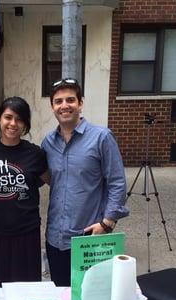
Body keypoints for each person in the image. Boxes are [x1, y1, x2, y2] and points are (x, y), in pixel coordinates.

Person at [41, 78, 129, 286]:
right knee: (61, 295)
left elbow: (117, 182)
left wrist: (107, 223)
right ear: (52, 106)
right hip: (55, 237)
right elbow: (46, 178)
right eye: (58, 101)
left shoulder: (102, 137)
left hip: (88, 235)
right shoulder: (48, 142)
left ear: (80, 103)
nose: (64, 105)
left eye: (70, 100)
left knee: (90, 298)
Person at [0, 97, 48, 287]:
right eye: (8, 117)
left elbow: (46, 179)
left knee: (28, 288)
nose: (13, 123)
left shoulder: (35, 153)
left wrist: (21, 184)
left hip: (26, 231)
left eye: (20, 119)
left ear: (25, 124)